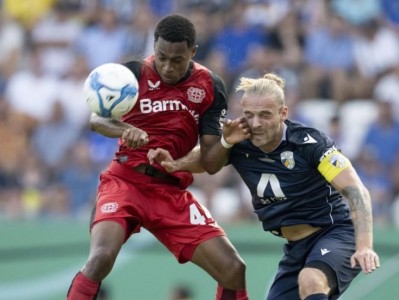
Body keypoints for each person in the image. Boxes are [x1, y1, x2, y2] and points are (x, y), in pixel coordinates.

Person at [148, 73, 380, 300]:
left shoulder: (309, 143)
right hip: (295, 247)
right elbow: (208, 161)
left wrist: (364, 246)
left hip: (335, 233)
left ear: (283, 113)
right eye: (249, 114)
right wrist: (175, 164)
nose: (256, 123)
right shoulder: (239, 142)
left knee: (311, 281)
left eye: (265, 115)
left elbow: (355, 191)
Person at [66, 14, 248, 300]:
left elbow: (212, 162)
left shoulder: (210, 87)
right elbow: (97, 120)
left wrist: (226, 141)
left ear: (193, 52)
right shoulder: (134, 73)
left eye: (177, 59)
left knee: (234, 269)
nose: (167, 66)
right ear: (154, 46)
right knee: (101, 258)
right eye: (162, 57)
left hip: (171, 192)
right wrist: (127, 129)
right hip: (125, 182)